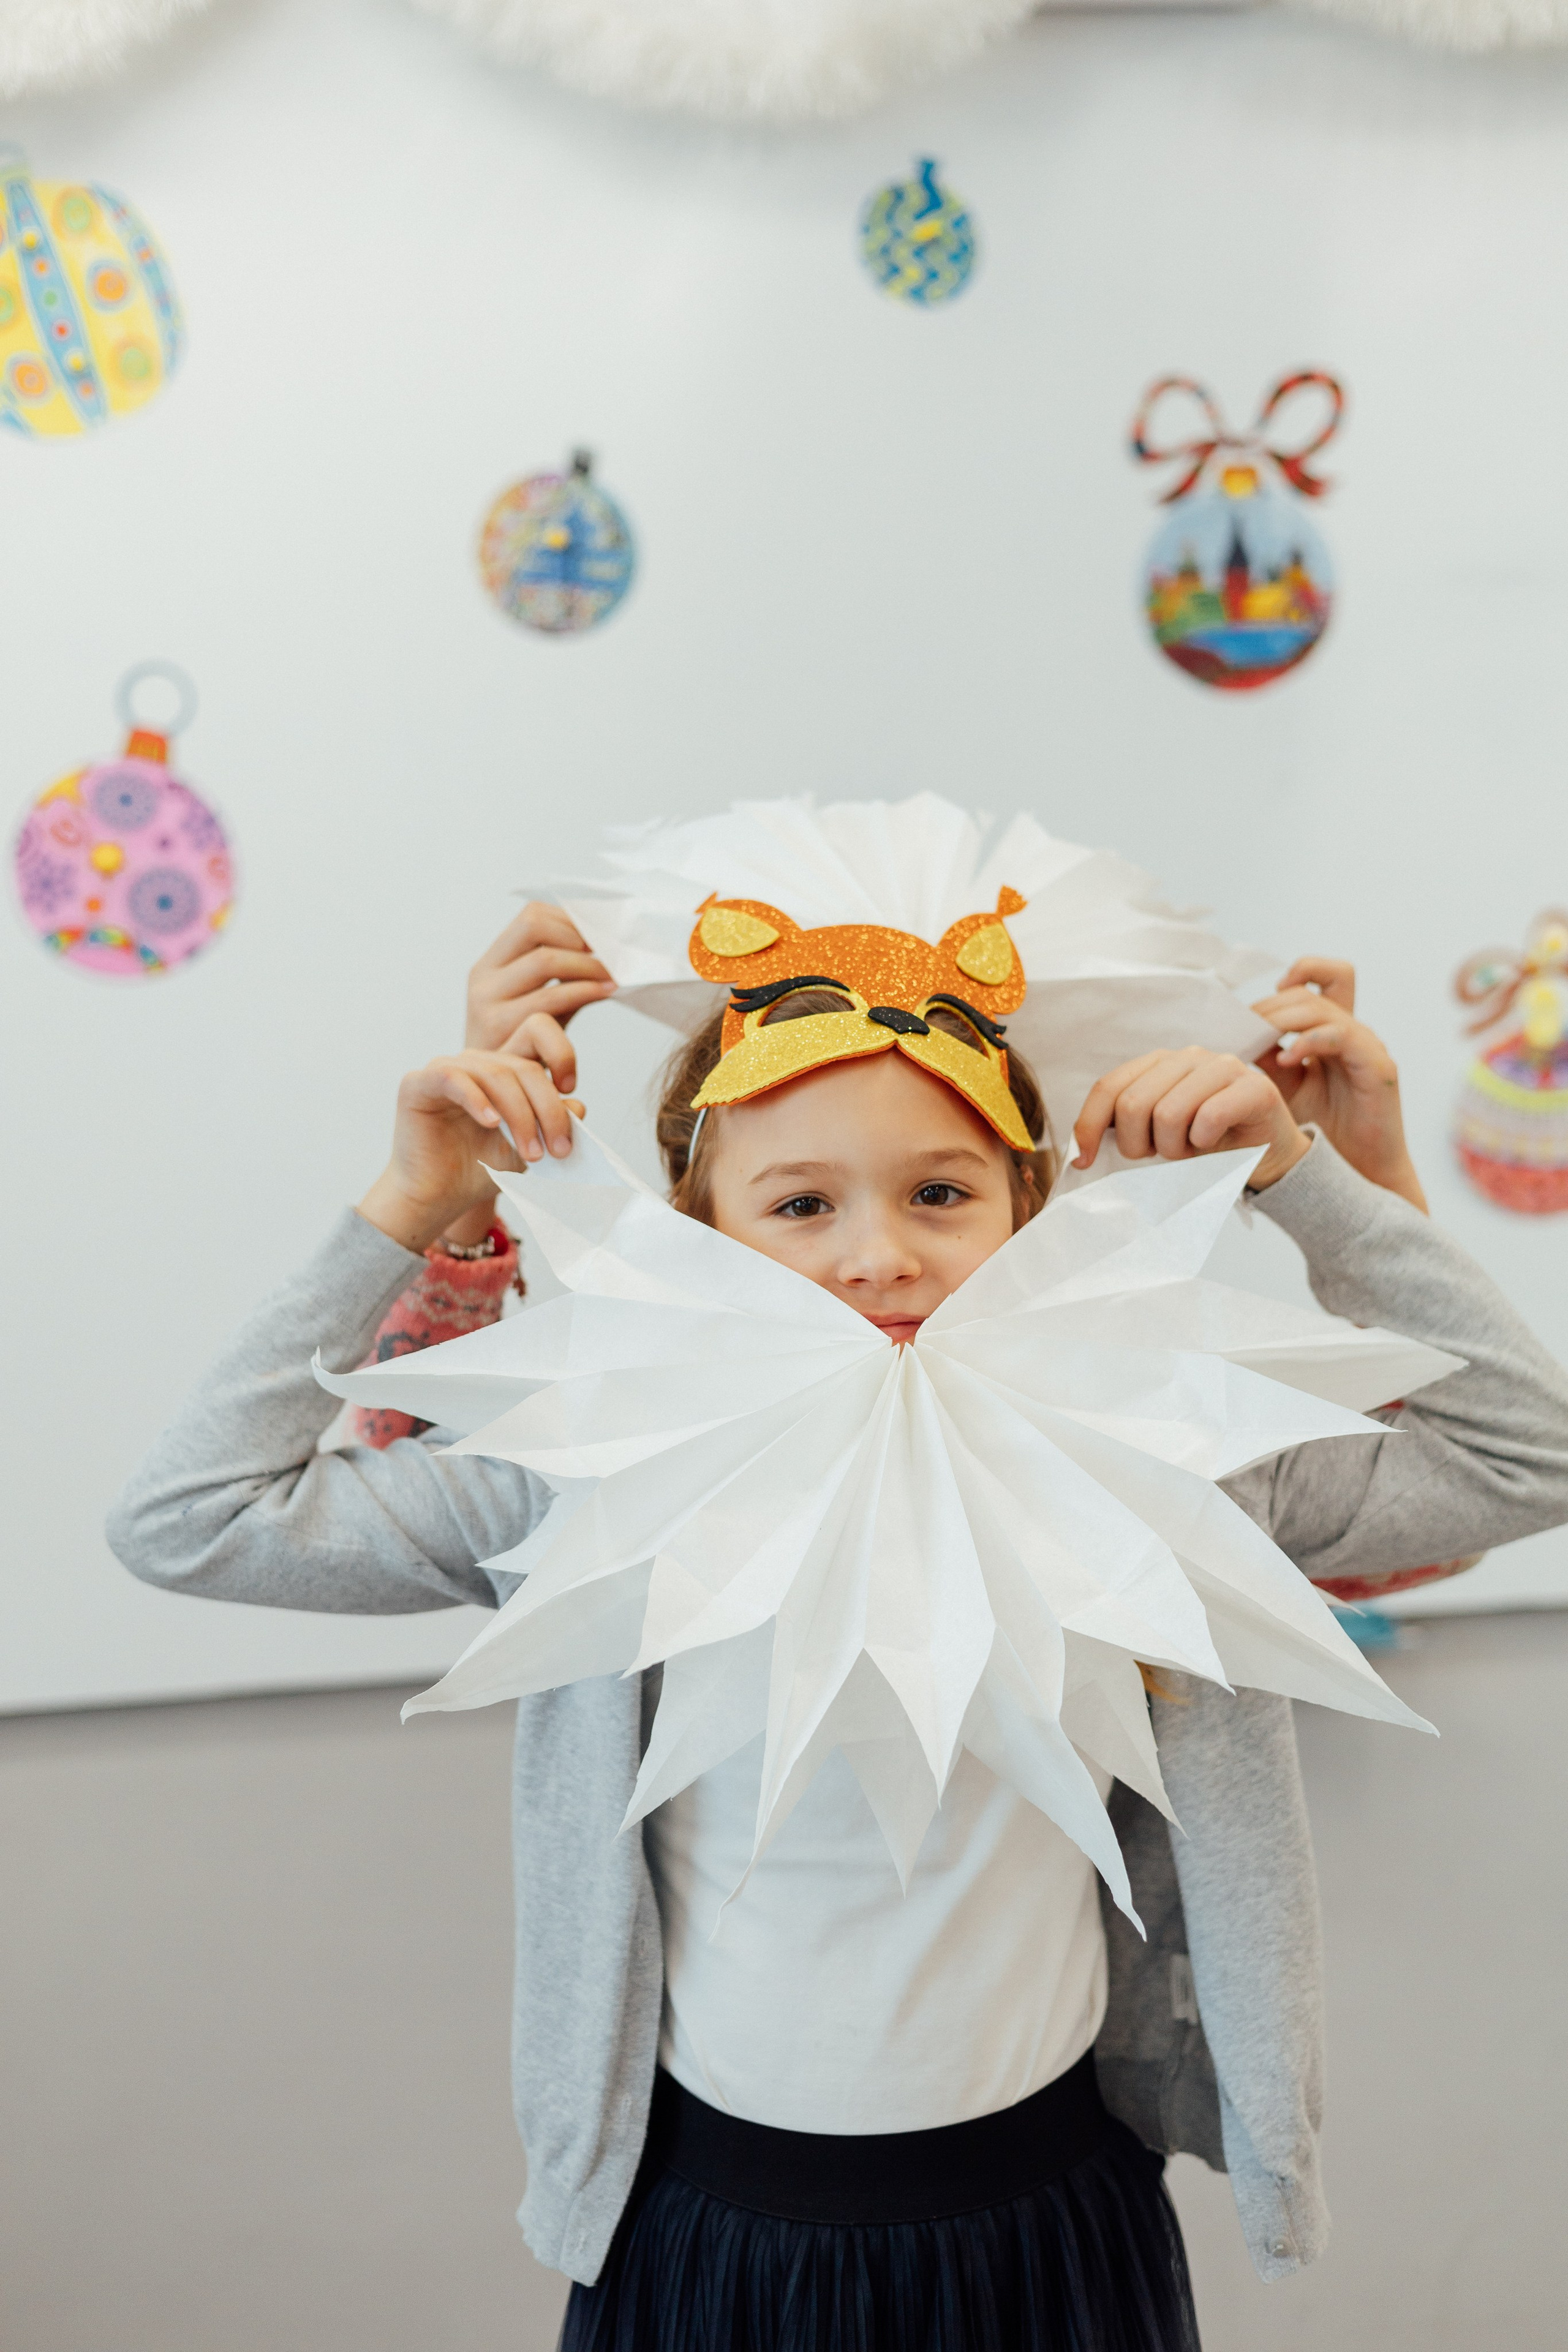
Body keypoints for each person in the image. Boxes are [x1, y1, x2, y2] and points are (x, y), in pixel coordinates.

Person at [107, 899, 1568, 2352]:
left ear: (1023, 1216)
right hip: (705, 2216)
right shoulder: (583, 1481)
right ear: (704, 1238)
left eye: (940, 1194)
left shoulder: (1159, 1460)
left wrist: (1316, 1182)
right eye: (800, 1204)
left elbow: (1519, 1460)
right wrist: (410, 1208)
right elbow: (191, 1519)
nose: (878, 1258)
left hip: (1052, 2202)